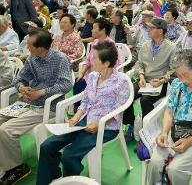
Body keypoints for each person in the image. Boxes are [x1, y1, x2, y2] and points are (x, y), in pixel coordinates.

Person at [36, 42, 130, 185]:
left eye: (94, 58)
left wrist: (98, 125)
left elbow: (118, 111)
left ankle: (70, 182)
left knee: (69, 156)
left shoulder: (121, 81)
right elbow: (85, 101)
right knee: (47, 146)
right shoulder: (92, 76)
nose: (90, 60)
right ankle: (50, 178)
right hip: (84, 122)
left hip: (106, 128)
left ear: (106, 63)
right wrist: (76, 116)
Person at [0, 28, 73, 185]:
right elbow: (20, 78)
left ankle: (17, 168)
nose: (27, 47)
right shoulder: (32, 59)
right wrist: (22, 88)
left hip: (48, 107)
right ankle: (4, 160)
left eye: (29, 45)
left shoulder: (61, 59)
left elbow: (66, 84)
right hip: (27, 102)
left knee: (6, 130)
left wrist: (41, 92)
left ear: (40, 47)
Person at [146, 50, 192, 185]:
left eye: (186, 75)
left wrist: (189, 141)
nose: (183, 80)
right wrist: (164, 133)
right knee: (155, 162)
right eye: (179, 76)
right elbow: (169, 112)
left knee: (175, 169)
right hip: (178, 129)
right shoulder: (177, 84)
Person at [123, 18, 176, 136]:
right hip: (144, 80)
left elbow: (173, 69)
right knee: (126, 93)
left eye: (151, 28)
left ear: (161, 31)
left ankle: (146, 134)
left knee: (145, 100)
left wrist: (162, 80)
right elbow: (139, 63)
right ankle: (131, 125)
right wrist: (141, 75)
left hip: (160, 83)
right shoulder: (146, 45)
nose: (148, 30)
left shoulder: (171, 48)